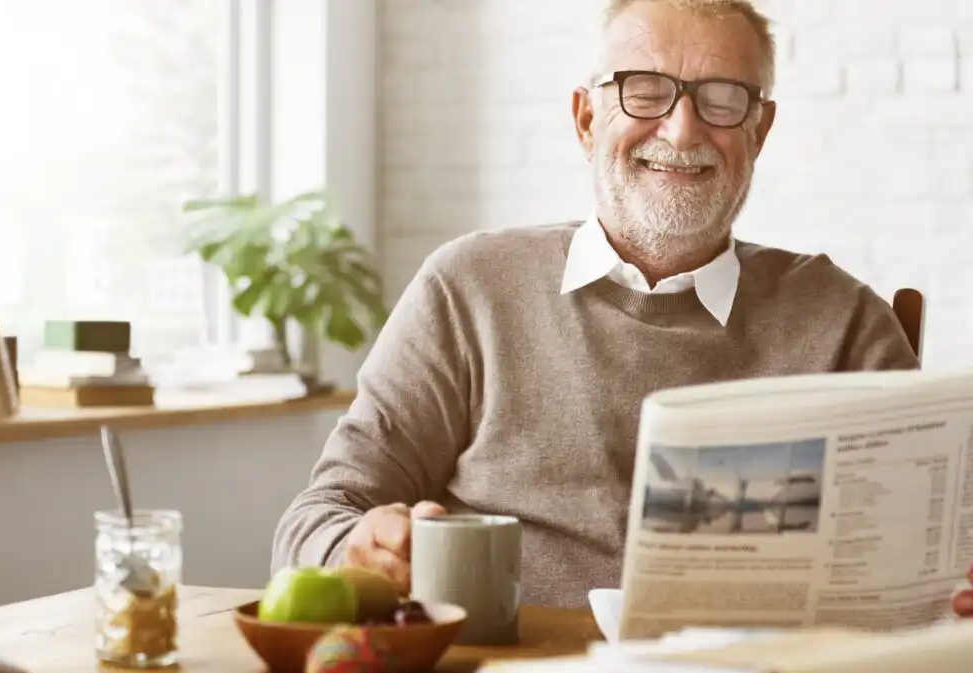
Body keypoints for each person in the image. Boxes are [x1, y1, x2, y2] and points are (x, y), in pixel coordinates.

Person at [272, 0, 958, 611]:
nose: (683, 130)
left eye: (721, 99)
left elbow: (934, 551)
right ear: (584, 118)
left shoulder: (843, 321)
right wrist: (357, 548)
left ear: (759, 130)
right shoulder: (468, 287)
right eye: (645, 92)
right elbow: (318, 518)